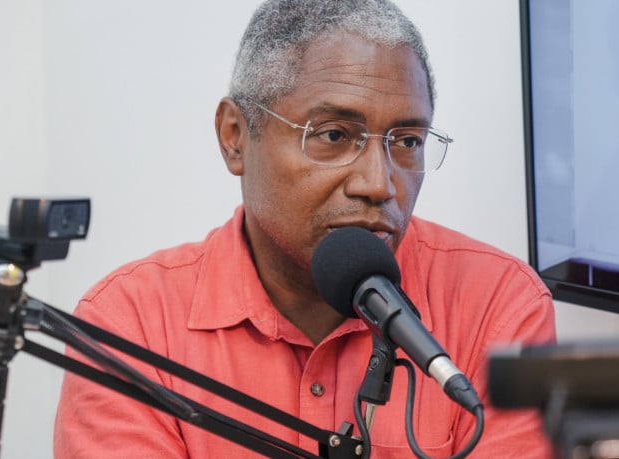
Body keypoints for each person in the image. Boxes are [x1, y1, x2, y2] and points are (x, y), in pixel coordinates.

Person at [53, 0, 556, 457]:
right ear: (234, 137)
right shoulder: (131, 325)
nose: (379, 184)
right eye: (334, 135)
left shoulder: (498, 305)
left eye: (406, 140)